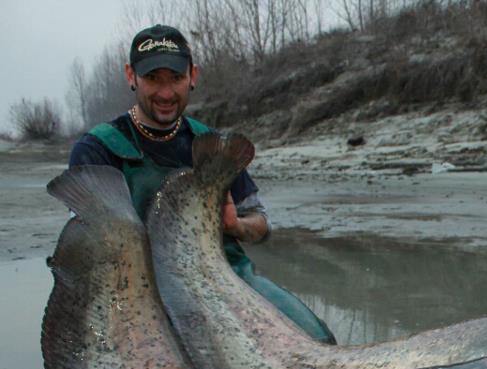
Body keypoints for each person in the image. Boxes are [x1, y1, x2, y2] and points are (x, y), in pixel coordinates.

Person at [69, 24, 336, 344]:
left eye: (176, 79)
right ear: (131, 76)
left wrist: (237, 226)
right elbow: (87, 253)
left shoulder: (213, 146)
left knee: (317, 340)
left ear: (192, 76)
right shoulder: (98, 149)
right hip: (143, 290)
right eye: (153, 79)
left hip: (228, 277)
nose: (166, 93)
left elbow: (262, 224)